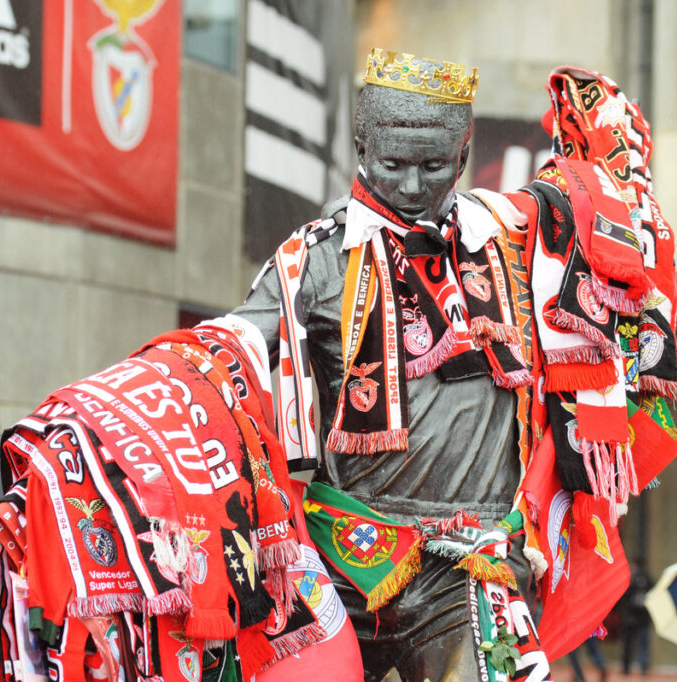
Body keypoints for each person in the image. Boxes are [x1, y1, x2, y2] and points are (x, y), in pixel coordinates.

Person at [234, 49, 535, 681]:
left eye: (432, 165)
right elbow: (227, 350)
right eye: (392, 163)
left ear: (463, 152)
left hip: (472, 559)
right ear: (360, 146)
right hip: (344, 553)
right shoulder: (314, 262)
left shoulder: (511, 248)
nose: (410, 185)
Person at [621, 557, 653, 675]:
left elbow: (624, 597)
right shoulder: (648, 579)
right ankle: (643, 667)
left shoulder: (631, 578)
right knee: (642, 644)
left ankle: (626, 668)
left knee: (629, 645)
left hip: (632, 618)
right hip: (642, 618)